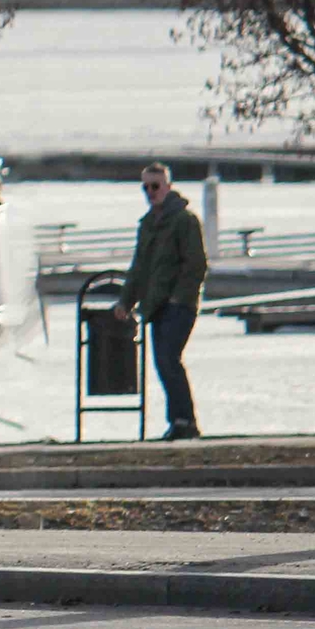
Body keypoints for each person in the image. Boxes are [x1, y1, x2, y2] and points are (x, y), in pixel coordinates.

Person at [114, 161, 207, 440]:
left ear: (168, 187)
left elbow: (196, 265)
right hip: (155, 307)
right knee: (163, 363)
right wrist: (125, 302)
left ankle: (185, 421)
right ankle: (179, 422)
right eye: (145, 187)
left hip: (179, 306)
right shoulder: (147, 225)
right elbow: (138, 268)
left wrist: (180, 298)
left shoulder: (184, 220)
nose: (150, 192)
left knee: (169, 359)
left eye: (155, 186)